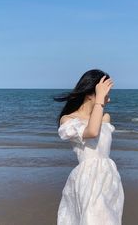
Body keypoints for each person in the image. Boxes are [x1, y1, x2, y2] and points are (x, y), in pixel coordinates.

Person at [53, 69, 124, 225]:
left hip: (109, 178)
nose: (108, 100)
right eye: (106, 93)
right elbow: (91, 132)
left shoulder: (105, 117)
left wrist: (99, 101)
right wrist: (99, 99)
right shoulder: (68, 119)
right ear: (90, 93)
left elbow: (96, 127)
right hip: (88, 178)